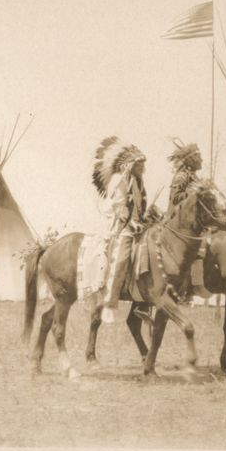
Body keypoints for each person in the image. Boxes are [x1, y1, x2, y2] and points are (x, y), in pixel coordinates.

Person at [92, 136, 147, 323]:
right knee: (122, 256)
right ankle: (109, 303)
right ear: (131, 165)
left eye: (143, 165)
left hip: (138, 225)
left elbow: (140, 207)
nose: (143, 168)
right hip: (121, 227)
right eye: (139, 165)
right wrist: (131, 222)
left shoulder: (138, 182)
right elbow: (119, 205)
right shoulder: (120, 179)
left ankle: (143, 300)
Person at [167, 141, 211, 299]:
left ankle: (197, 283)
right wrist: (194, 192)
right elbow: (174, 198)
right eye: (198, 157)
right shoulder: (181, 176)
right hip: (177, 221)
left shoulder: (194, 177)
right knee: (198, 246)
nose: (202, 160)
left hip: (193, 221)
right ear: (191, 160)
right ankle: (194, 285)